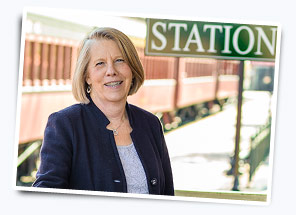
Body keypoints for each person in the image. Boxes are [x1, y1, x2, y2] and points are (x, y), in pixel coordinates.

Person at [32, 27, 174, 195]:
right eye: (100, 63)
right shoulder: (65, 124)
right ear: (87, 77)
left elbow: (167, 193)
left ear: (132, 69)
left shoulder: (151, 124)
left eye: (120, 60)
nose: (111, 71)